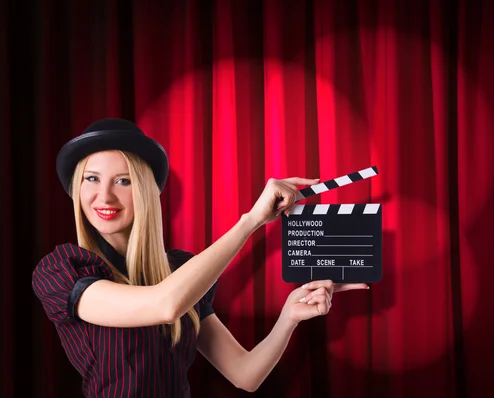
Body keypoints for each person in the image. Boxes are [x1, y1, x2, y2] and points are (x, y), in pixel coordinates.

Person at [31, 117, 369, 397]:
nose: (104, 195)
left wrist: (289, 317)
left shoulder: (181, 269)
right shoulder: (61, 271)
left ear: (147, 192)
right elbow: (164, 306)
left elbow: (244, 374)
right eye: (92, 179)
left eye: (124, 180)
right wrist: (250, 221)